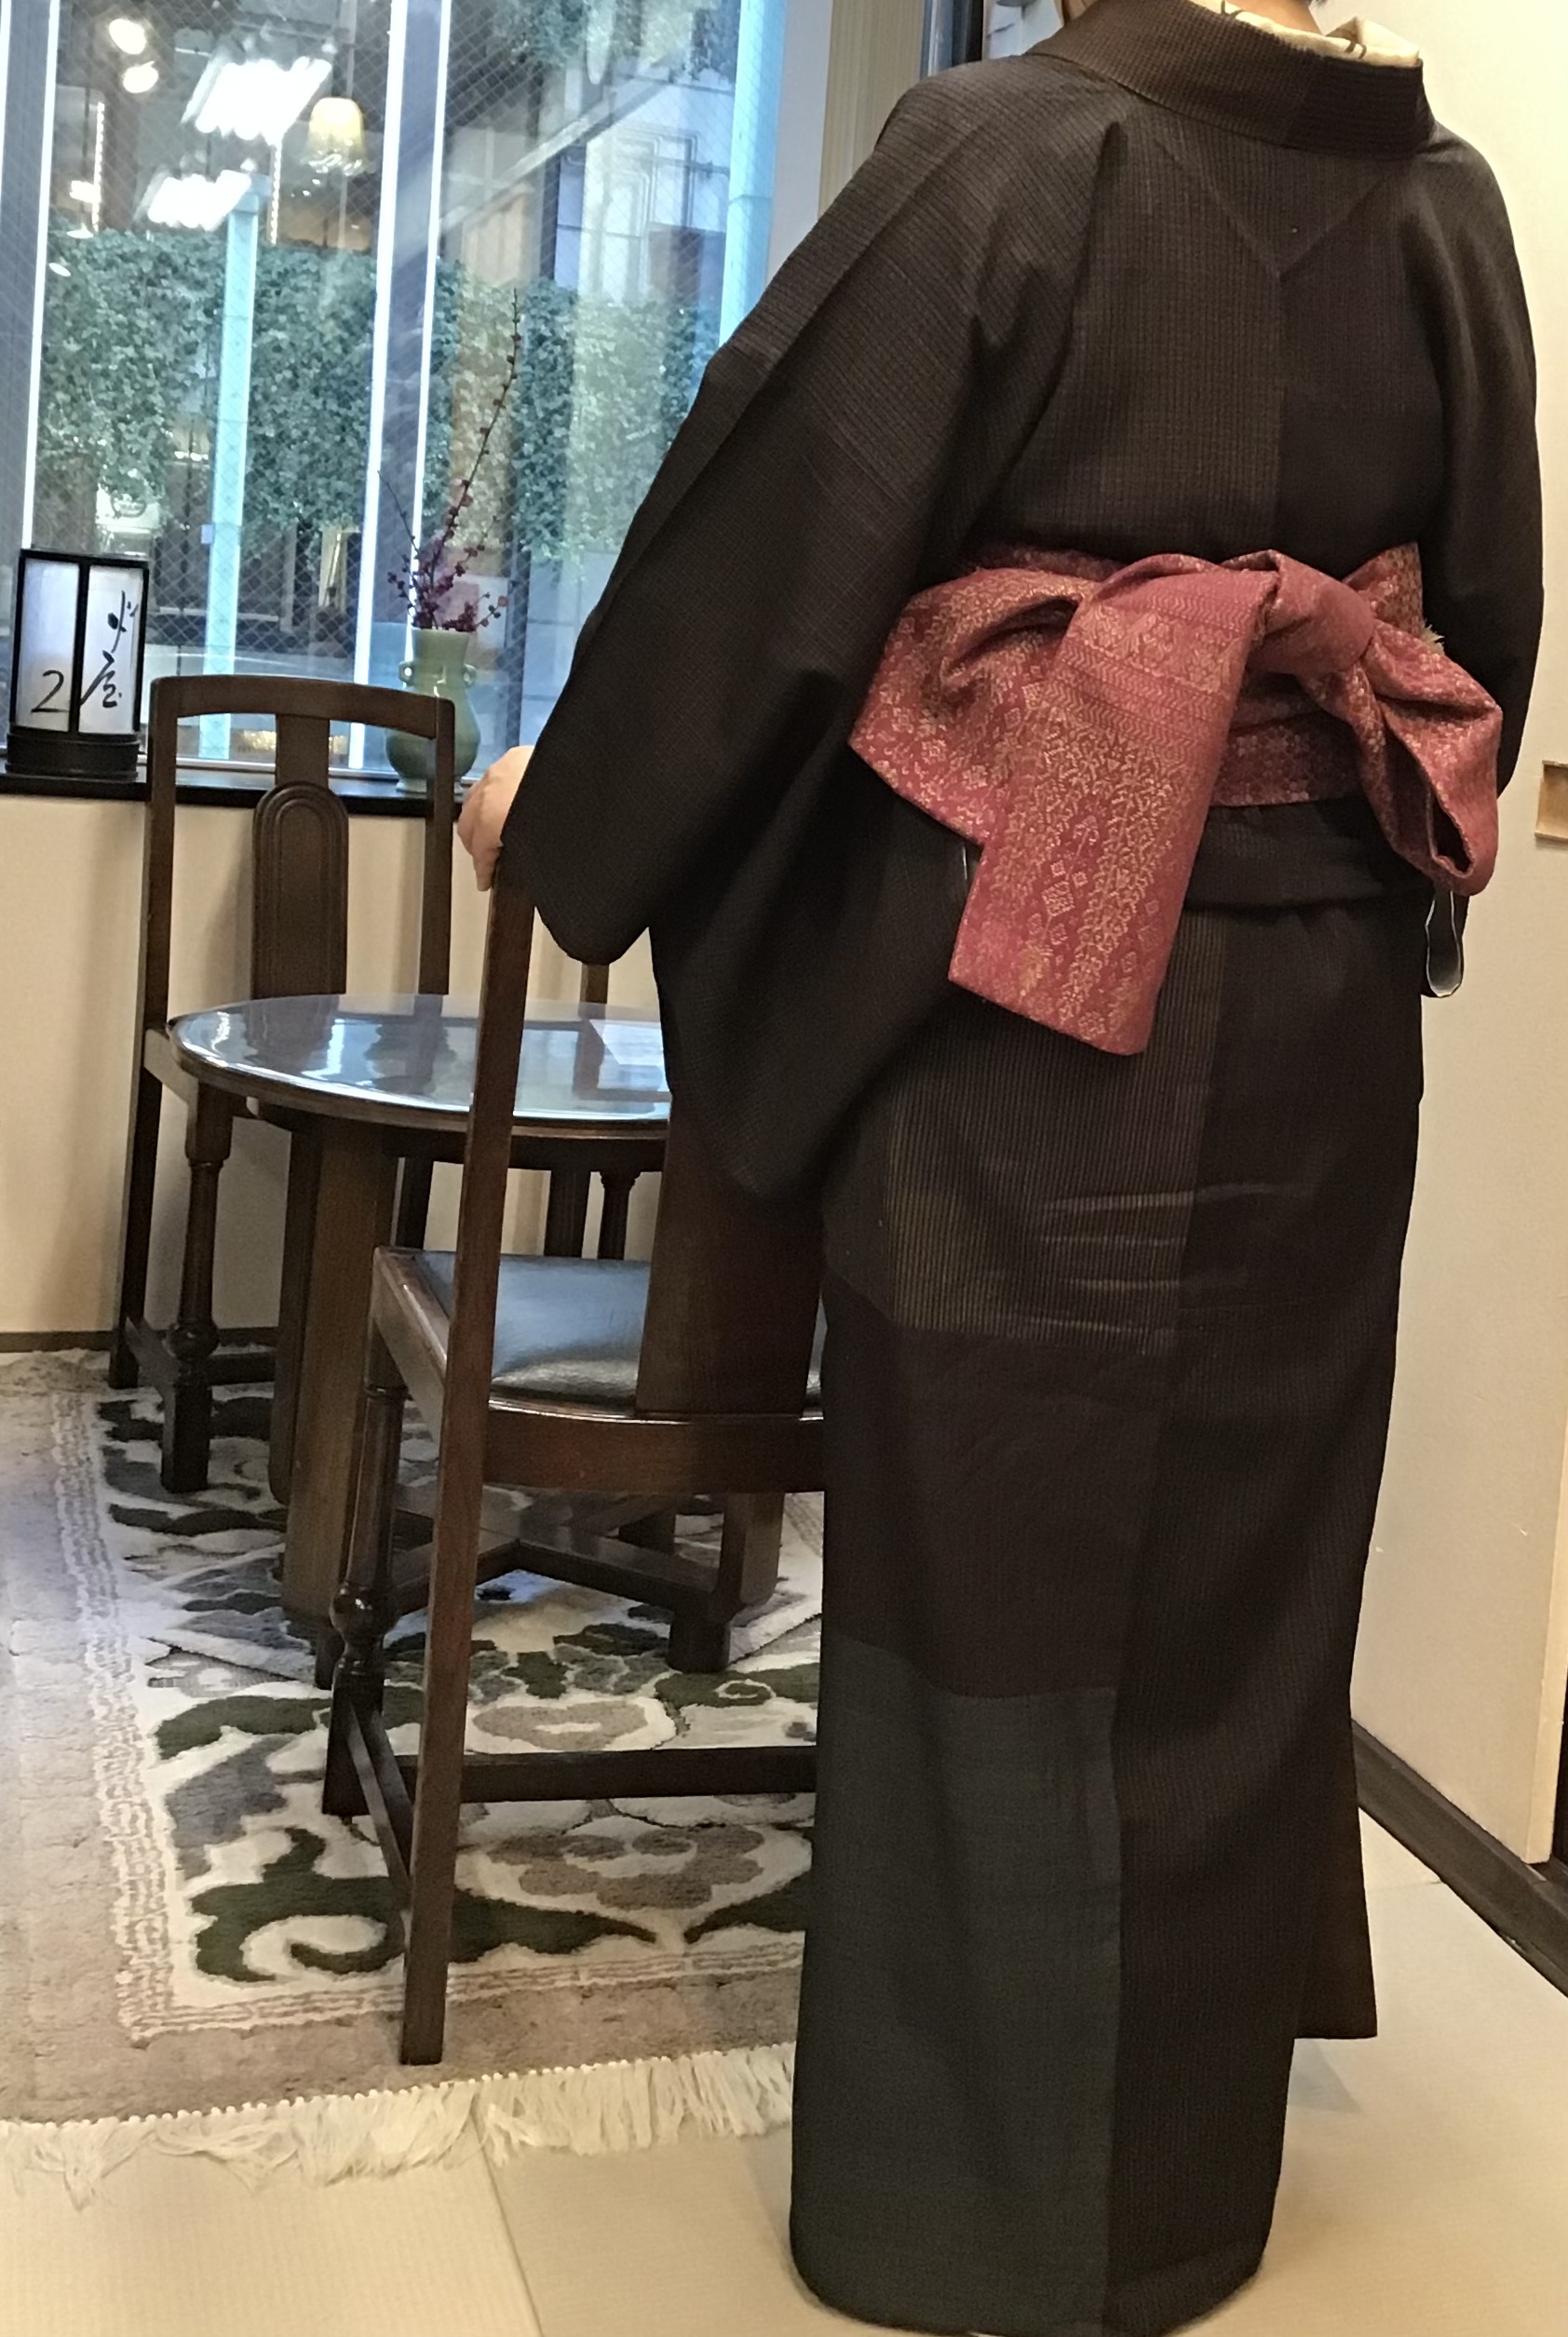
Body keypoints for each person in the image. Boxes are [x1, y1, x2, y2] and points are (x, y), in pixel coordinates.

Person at [459, 2, 1542, 2330]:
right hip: (1319, 1021)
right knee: (1238, 1577)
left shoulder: (1003, 154)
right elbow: (1478, 637)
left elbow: (772, 547)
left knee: (993, 1583)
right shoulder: (1446, 217)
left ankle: (967, 2215)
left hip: (1030, 1008)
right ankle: (1181, 2201)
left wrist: (576, 808)